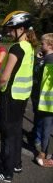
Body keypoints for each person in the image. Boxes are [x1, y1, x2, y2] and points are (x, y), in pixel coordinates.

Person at [0, 11, 37, 182]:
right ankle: (16, 163)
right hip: (22, 96)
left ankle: (7, 172)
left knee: (7, 132)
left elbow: (5, 77)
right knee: (15, 130)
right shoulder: (29, 46)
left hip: (10, 96)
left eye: (11, 29)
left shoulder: (16, 48)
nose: (8, 32)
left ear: (21, 28)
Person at [35, 33, 53, 167]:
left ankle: (43, 153)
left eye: (43, 44)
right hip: (46, 100)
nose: (41, 45)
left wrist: (39, 62)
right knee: (45, 127)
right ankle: (43, 152)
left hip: (48, 100)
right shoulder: (45, 58)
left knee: (46, 127)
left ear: (50, 45)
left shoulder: (49, 60)